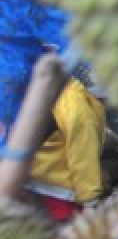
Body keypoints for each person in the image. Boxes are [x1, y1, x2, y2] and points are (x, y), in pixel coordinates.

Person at [26, 70, 107, 221]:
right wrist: (90, 199)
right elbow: (82, 153)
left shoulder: (52, 89)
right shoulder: (75, 103)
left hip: (33, 178)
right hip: (57, 188)